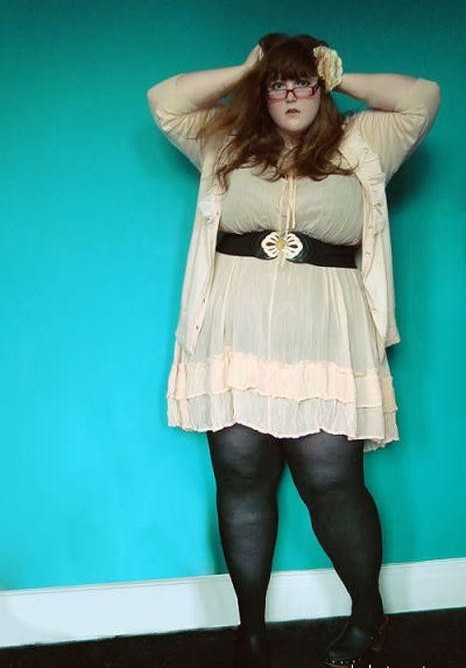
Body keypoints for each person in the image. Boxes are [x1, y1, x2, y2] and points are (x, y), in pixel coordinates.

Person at [146, 33, 441, 668]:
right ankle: (250, 630)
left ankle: (368, 615)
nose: (289, 95)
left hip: (327, 330)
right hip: (235, 331)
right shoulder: (225, 138)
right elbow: (165, 101)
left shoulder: (365, 139)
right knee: (241, 477)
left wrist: (338, 73)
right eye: (277, 84)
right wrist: (248, 68)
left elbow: (422, 98)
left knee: (331, 480)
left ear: (320, 86)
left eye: (302, 81)